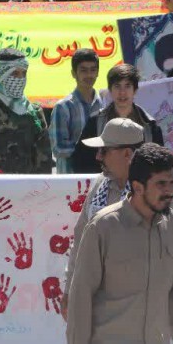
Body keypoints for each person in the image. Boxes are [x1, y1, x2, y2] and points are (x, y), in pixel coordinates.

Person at [66, 143, 173, 344]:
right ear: (138, 187)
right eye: (161, 184)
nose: (169, 191)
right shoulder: (103, 227)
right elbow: (81, 297)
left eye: (172, 183)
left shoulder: (172, 223)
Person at [62, 118, 146, 318]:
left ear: (127, 154)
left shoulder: (153, 191)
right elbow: (81, 239)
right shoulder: (100, 185)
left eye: (105, 150)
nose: (98, 156)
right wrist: (69, 289)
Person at [71, 64, 164, 173]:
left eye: (127, 86)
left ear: (135, 90)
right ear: (110, 90)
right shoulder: (95, 122)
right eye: (117, 86)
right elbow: (80, 161)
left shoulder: (150, 125)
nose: (122, 92)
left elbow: (159, 165)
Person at [50, 48, 104, 174]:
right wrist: (88, 148)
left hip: (98, 178)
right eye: (83, 70)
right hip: (71, 181)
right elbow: (58, 148)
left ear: (97, 72)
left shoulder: (104, 104)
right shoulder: (63, 107)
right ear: (74, 73)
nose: (89, 75)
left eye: (93, 70)